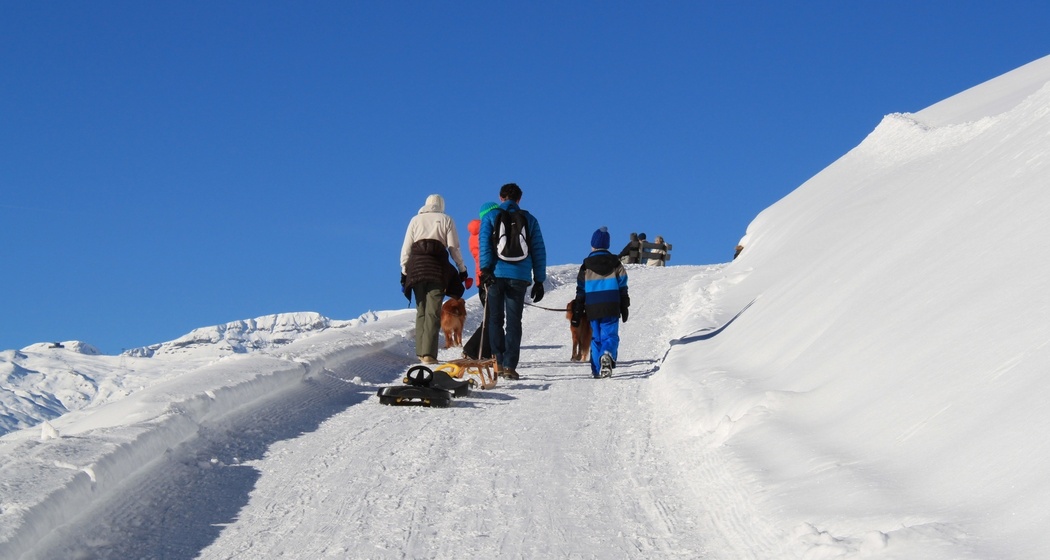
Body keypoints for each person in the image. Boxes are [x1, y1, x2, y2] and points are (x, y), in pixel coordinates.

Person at [479, 183, 547, 380]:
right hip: (519, 276)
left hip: (496, 274)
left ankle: (497, 362)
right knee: (514, 322)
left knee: (495, 319)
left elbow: (484, 245)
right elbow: (538, 250)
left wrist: (485, 270)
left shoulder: (491, 217)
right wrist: (539, 280)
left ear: (501, 198)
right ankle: (510, 365)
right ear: (519, 199)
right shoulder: (530, 219)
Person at [400, 194, 468, 364]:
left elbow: (406, 247)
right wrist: (462, 269)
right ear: (441, 205)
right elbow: (454, 247)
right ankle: (429, 355)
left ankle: (421, 352)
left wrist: (404, 270)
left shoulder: (415, 220)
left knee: (421, 311)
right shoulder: (447, 219)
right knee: (433, 312)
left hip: (416, 269)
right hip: (437, 270)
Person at [573, 227, 629, 378]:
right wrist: (624, 305)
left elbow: (581, 290)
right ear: (608, 245)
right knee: (610, 335)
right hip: (611, 305)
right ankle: (607, 354)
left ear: (593, 245)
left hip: (592, 308)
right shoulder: (616, 263)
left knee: (596, 338)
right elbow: (623, 284)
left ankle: (597, 369)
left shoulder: (586, 265)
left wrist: (578, 310)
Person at [462, 201, 500, 360]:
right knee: (492, 317)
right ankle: (472, 349)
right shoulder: (485, 234)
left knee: (492, 316)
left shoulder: (475, 234)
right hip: (489, 278)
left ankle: (484, 351)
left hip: (481, 279)